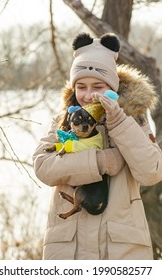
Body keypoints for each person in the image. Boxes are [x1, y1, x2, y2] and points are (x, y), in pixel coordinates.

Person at [33, 32, 162, 260]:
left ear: (111, 86)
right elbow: (43, 166)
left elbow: (152, 172)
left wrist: (119, 122)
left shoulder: (133, 118)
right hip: (67, 249)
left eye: (98, 86)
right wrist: (99, 161)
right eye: (81, 87)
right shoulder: (64, 119)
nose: (89, 95)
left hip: (121, 250)